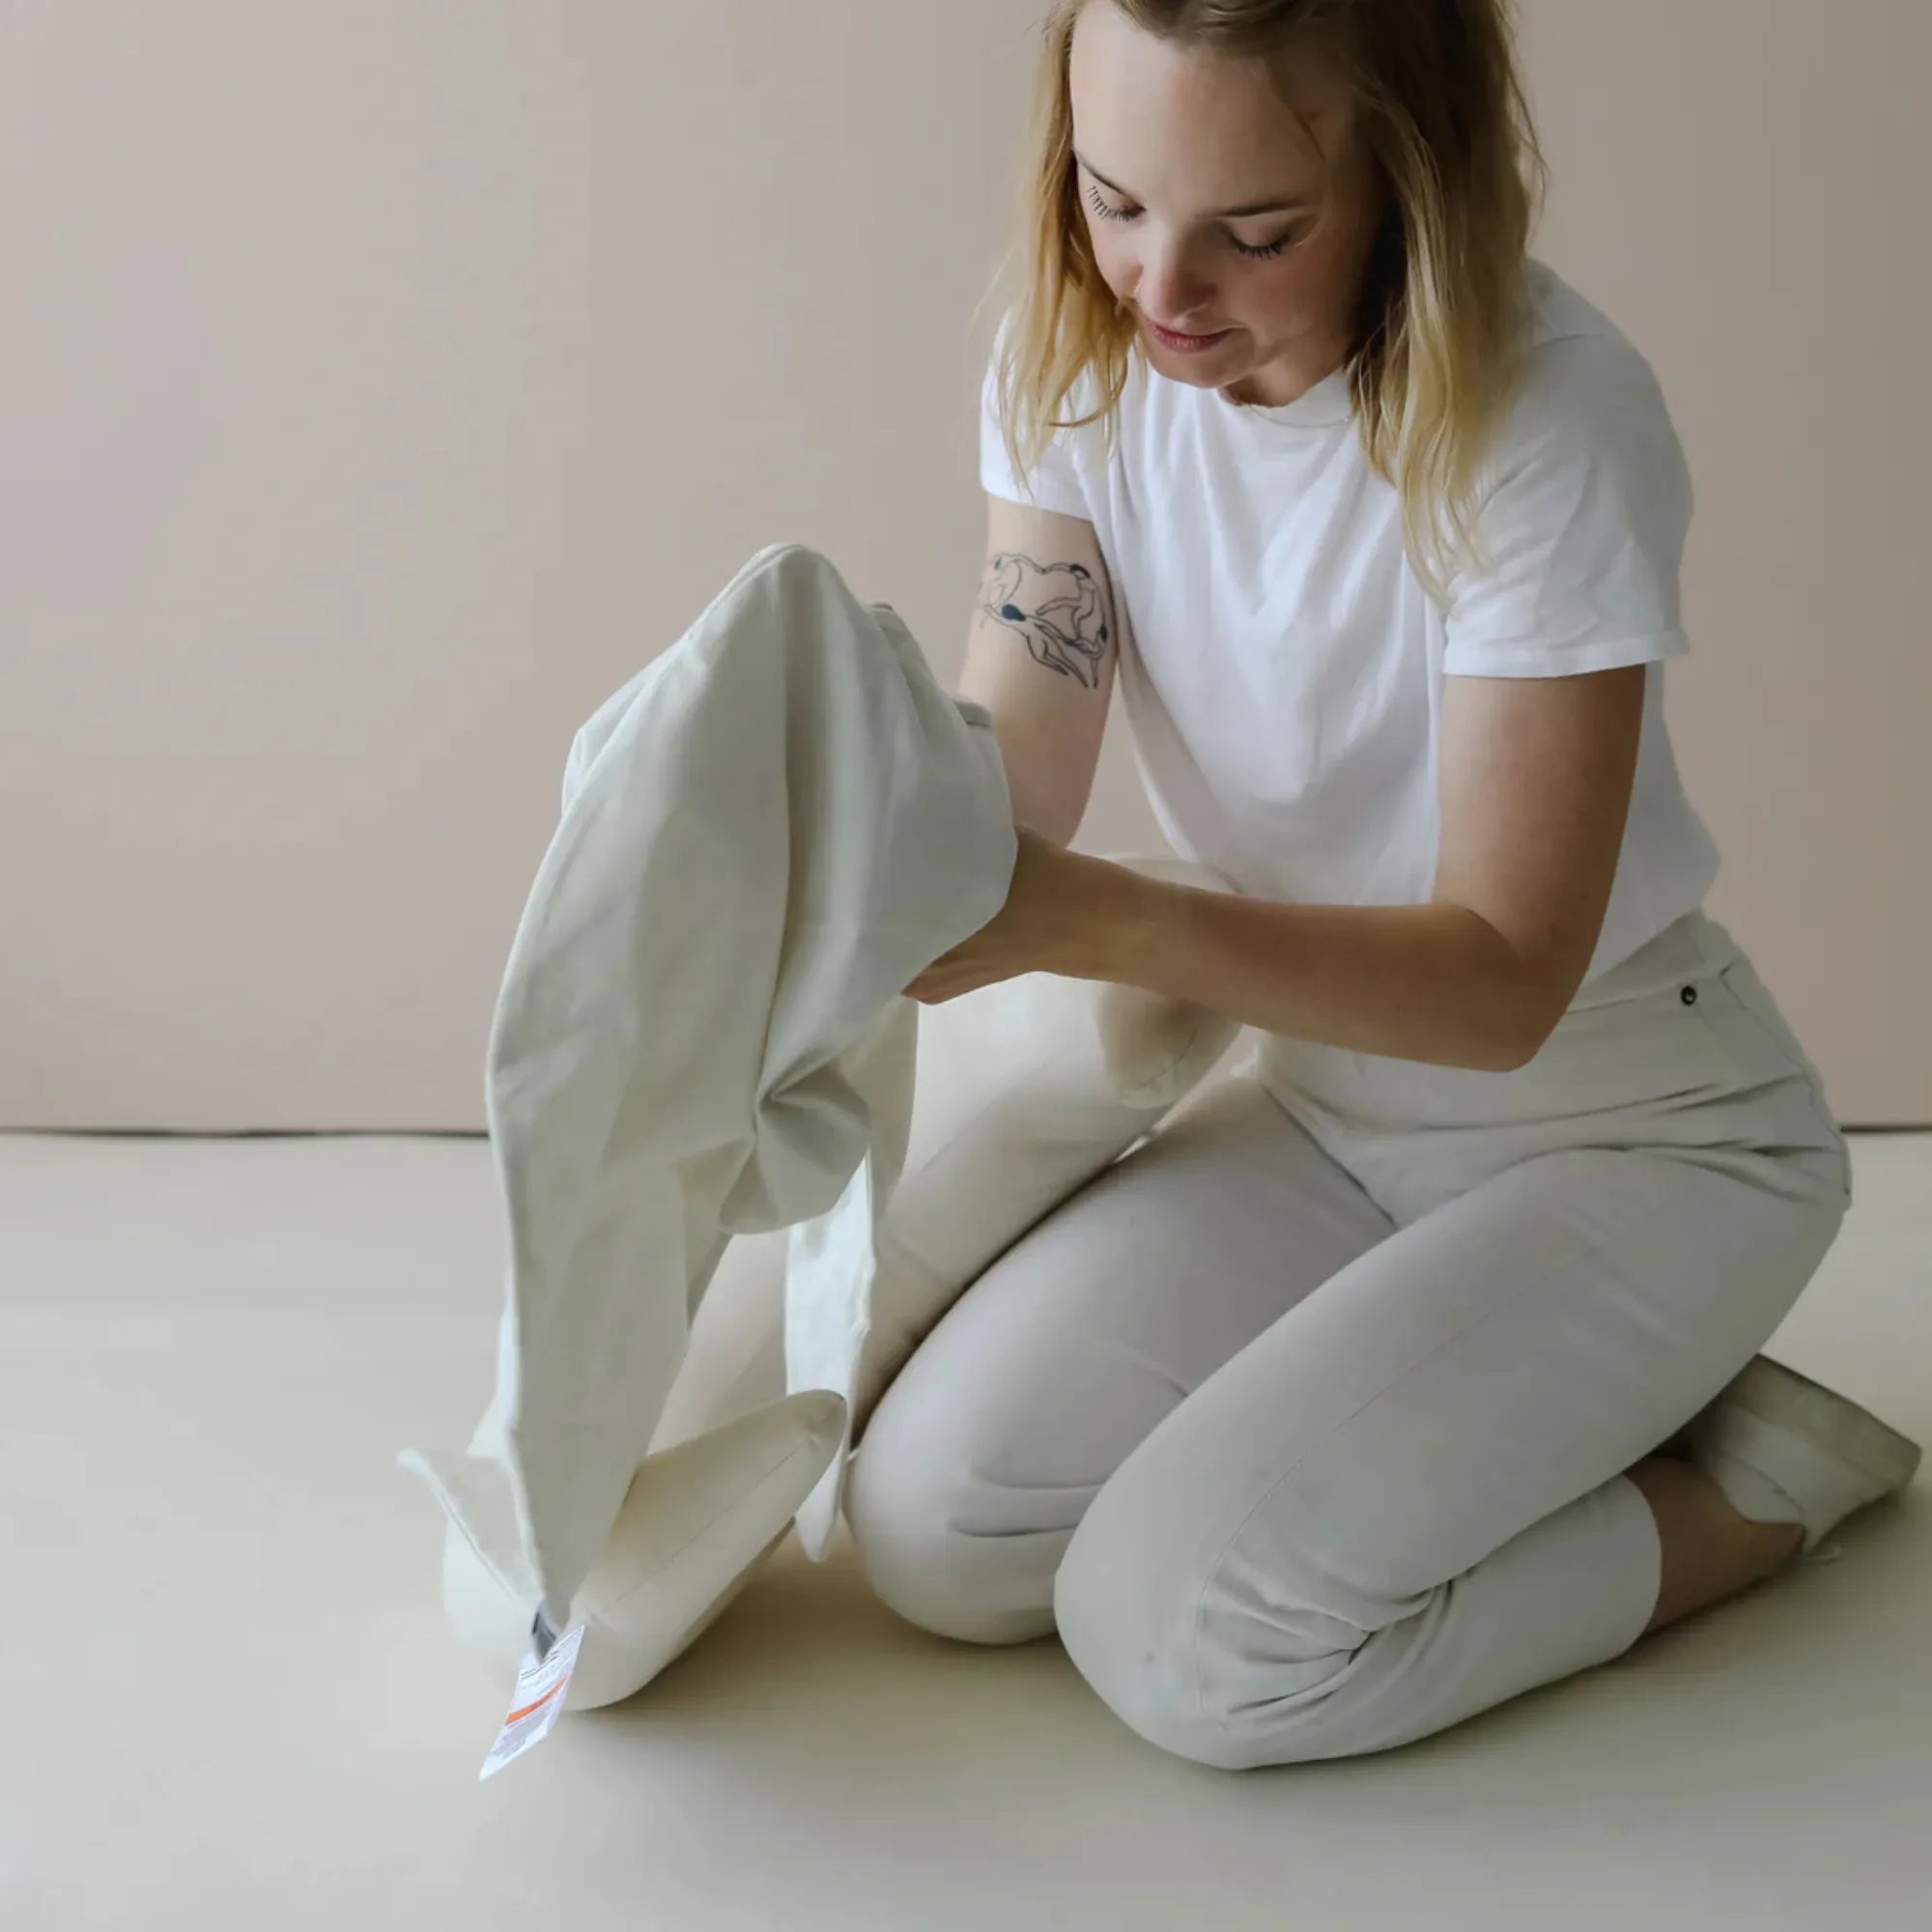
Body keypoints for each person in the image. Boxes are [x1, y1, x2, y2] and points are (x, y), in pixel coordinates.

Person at [843, 0, 1921, 1771]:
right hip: (1328, 1105)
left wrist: (1094, 916)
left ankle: (1761, 1486)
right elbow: (1018, 769)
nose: (1162, 283)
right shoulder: (1078, 351)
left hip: (1633, 1136)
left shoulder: (1548, 419)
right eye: (1114, 197)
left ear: (1409, 184)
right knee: (932, 1536)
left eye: (1256, 230)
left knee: (1190, 1649)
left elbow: (1502, 982)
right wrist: (828, 819)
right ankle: (1524, 1397)